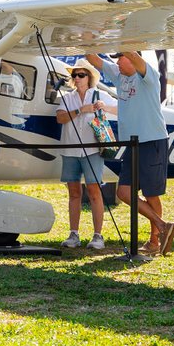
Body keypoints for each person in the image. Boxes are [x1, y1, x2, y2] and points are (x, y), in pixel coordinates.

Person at [86, 50, 174, 255]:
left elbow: (136, 57)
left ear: (134, 59)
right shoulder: (119, 75)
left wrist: (127, 39)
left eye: (121, 58)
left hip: (152, 140)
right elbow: (93, 58)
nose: (117, 62)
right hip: (132, 144)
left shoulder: (148, 75)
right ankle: (163, 226)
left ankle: (154, 241)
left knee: (151, 193)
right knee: (123, 192)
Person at [56, 58, 116, 250]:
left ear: (89, 77)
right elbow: (60, 118)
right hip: (70, 149)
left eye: (81, 74)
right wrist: (81, 110)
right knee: (74, 193)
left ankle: (98, 236)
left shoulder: (100, 95)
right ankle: (74, 234)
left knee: (94, 192)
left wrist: (103, 107)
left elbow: (119, 109)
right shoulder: (67, 98)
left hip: (92, 150)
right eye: (75, 75)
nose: (77, 78)